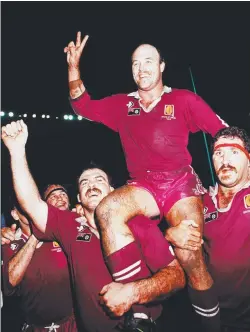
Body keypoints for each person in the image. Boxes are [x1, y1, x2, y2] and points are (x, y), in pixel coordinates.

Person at [64, 32, 228, 331]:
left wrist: (230, 179)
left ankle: (214, 326)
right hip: (143, 187)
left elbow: (223, 133)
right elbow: (83, 107)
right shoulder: (123, 105)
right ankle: (138, 314)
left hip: (181, 185)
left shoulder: (183, 99)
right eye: (135, 63)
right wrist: (73, 67)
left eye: (148, 61)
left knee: (189, 252)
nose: (142, 68)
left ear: (162, 66)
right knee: (107, 210)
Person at [1, 120, 186, 332]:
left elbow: (177, 276)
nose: (91, 185)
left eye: (99, 179)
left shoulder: (139, 224)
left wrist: (134, 292)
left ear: (112, 190)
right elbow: (32, 205)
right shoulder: (69, 227)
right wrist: (16, 151)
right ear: (78, 197)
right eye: (84, 182)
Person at [166, 126, 250, 332]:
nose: (225, 160)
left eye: (234, 152)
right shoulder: (199, 203)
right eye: (218, 153)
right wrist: (169, 234)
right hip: (206, 316)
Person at [1, 185, 78, 332]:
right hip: (36, 328)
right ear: (15, 214)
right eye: (22, 205)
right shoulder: (9, 242)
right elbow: (9, 282)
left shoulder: (56, 233)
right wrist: (35, 236)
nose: (28, 208)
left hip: (72, 324)